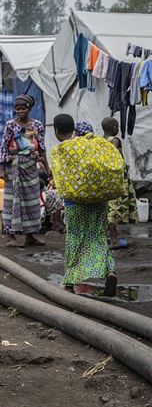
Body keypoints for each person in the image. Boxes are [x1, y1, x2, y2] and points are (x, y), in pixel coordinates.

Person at [51, 114, 117, 296]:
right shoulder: (90, 143)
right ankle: (109, 272)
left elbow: (62, 180)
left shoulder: (62, 149)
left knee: (75, 240)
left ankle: (70, 283)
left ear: (56, 131)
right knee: (98, 238)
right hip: (99, 201)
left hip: (75, 204)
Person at [0, 95, 50, 247]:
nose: (20, 111)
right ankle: (10, 236)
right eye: (18, 109)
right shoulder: (10, 125)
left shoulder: (37, 125)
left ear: (29, 109)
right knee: (12, 200)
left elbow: (42, 147)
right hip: (14, 167)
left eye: (23, 108)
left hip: (30, 167)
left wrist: (47, 167)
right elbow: (4, 146)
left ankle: (30, 235)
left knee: (31, 201)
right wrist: (1, 169)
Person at [102, 117, 139, 250]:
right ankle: (114, 240)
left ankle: (107, 237)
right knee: (114, 210)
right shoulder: (114, 141)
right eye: (117, 126)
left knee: (107, 209)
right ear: (114, 128)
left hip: (105, 179)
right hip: (116, 180)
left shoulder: (101, 140)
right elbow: (113, 158)